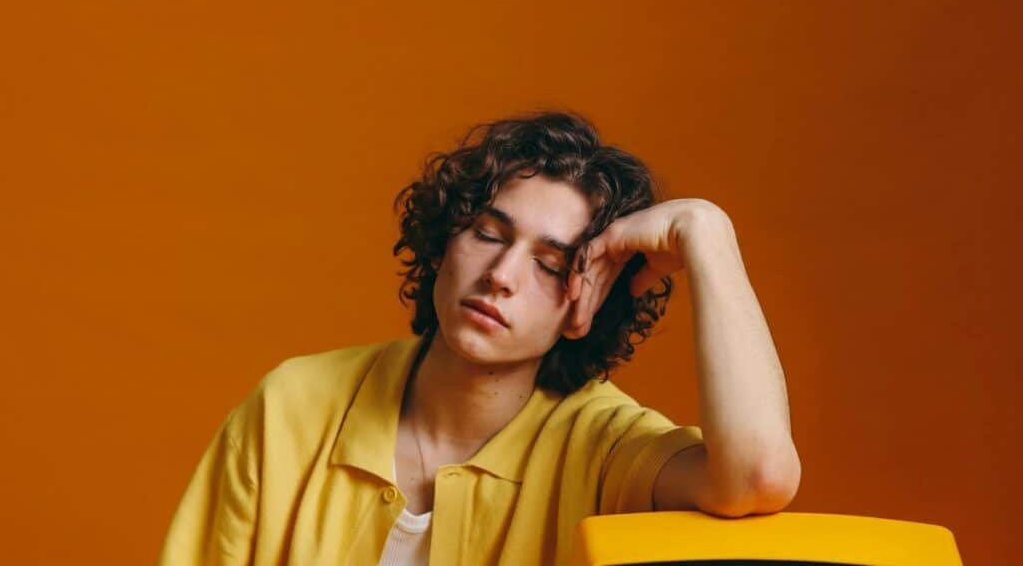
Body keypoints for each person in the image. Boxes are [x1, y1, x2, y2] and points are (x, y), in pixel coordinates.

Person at [157, 110, 801, 565]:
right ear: (445, 243)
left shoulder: (603, 445)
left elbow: (757, 478)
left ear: (588, 305)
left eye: (550, 265)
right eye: (488, 234)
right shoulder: (292, 404)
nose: (502, 275)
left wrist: (707, 233)